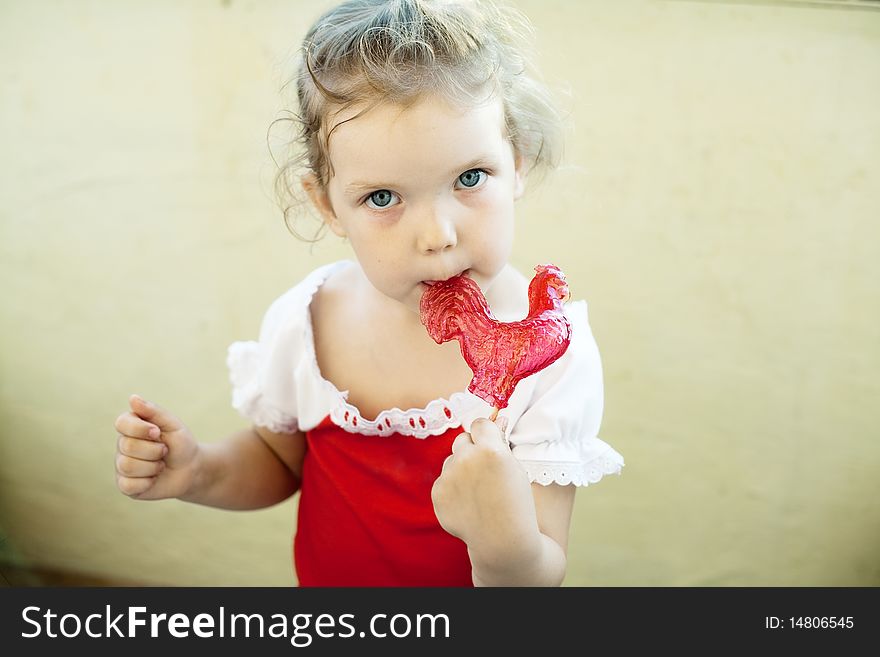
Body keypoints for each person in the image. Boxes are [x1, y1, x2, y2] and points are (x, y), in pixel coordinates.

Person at [113, 0, 624, 586]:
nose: (438, 236)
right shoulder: (308, 323)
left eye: (470, 178)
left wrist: (502, 543)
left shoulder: (552, 360)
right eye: (382, 197)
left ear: (517, 161)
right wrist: (199, 471)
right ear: (327, 204)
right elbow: (281, 462)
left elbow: (537, 580)